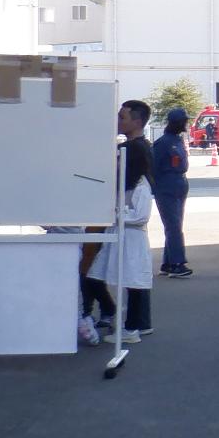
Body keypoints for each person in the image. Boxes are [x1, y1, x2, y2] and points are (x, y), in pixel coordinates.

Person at [92, 101, 155, 342]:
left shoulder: (136, 157)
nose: (119, 121)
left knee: (132, 278)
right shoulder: (138, 150)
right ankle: (133, 324)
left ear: (137, 121)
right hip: (122, 225)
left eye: (123, 117)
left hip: (128, 227)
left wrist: (116, 212)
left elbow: (137, 205)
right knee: (127, 277)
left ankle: (131, 327)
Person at [150, 106, 193, 277]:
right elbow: (153, 166)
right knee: (173, 226)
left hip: (178, 183)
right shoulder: (163, 143)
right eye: (184, 121)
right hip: (166, 186)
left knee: (175, 225)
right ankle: (177, 263)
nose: (186, 124)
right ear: (176, 123)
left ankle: (168, 262)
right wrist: (155, 188)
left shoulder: (177, 139)